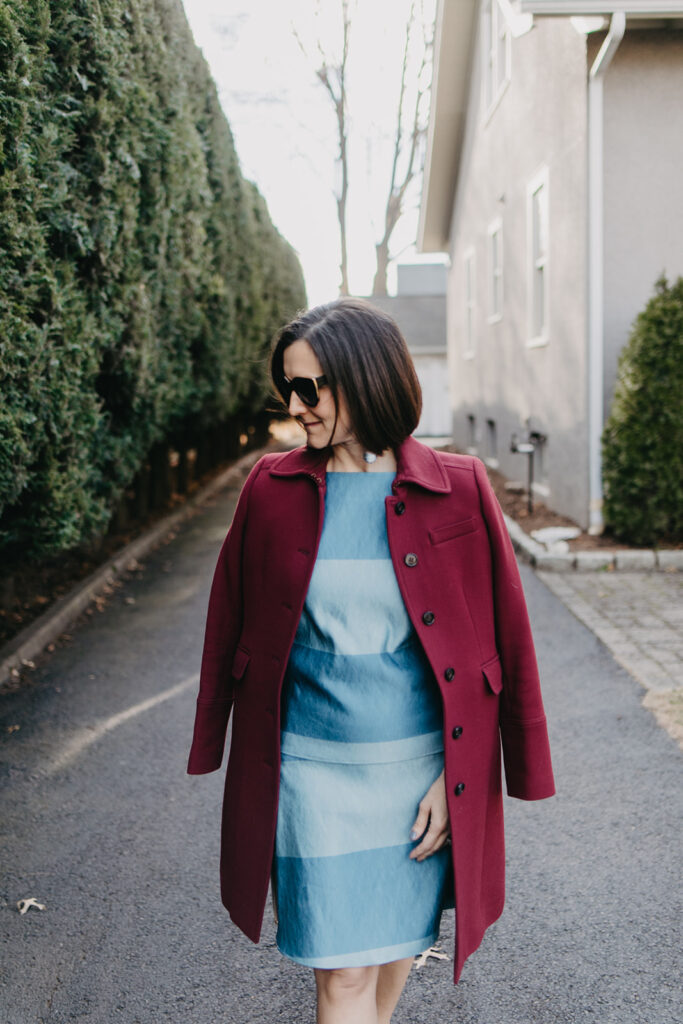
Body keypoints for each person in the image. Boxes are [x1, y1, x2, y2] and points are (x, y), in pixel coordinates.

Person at [187, 297, 555, 1023]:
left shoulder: (458, 486)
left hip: (417, 774)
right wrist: (212, 737)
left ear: (363, 380)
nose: (296, 406)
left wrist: (461, 776)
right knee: (341, 978)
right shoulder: (271, 488)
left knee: (392, 950)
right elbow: (226, 622)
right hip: (313, 778)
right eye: (287, 389)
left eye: (310, 388)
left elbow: (505, 639)